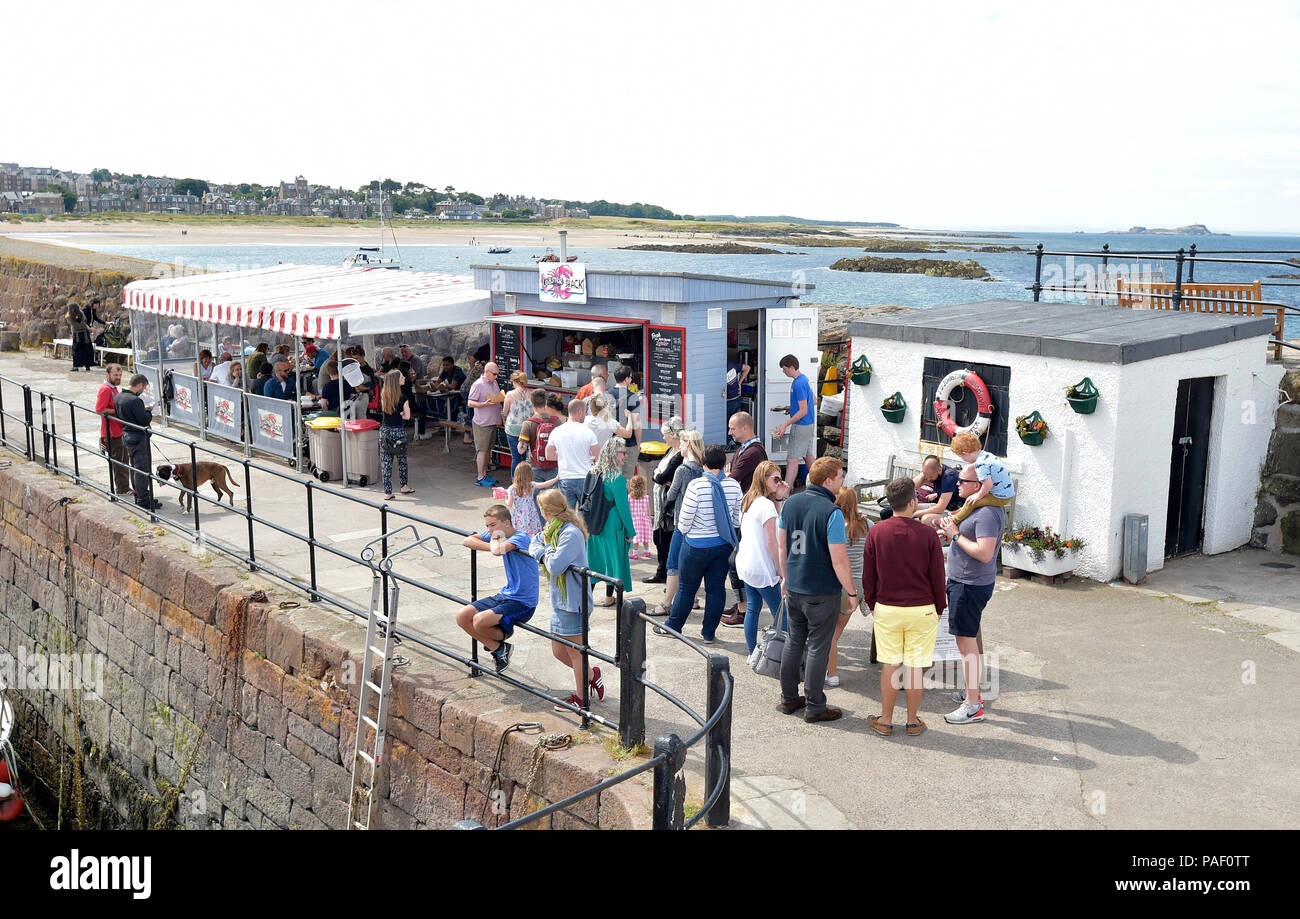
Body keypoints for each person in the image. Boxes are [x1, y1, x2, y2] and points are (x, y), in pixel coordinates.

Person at [861, 476, 947, 737]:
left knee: (890, 664)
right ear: (913, 502)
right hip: (922, 608)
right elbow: (937, 576)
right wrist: (939, 607)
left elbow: (869, 575)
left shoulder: (876, 531)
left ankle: (885, 720)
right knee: (915, 665)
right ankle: (912, 721)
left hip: (888, 606)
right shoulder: (928, 534)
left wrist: (874, 602)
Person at [776, 457, 859, 724]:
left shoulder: (790, 503)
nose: (842, 480)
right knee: (818, 647)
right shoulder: (831, 512)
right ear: (827, 481)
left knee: (794, 641)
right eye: (839, 476)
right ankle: (815, 705)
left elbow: (782, 547)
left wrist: (785, 577)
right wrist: (853, 592)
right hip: (821, 590)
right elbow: (839, 559)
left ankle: (788, 698)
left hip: (795, 585)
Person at [938, 464, 1005, 725]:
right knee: (968, 643)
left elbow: (985, 553)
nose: (956, 484)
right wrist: (950, 534)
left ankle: (973, 705)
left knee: (966, 646)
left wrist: (955, 536)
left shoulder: (987, 512)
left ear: (978, 486)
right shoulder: (979, 506)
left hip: (969, 585)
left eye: (962, 481)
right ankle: (972, 692)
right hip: (967, 582)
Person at [658, 444, 743, 642]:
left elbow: (684, 521)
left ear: (703, 463)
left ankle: (674, 627)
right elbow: (737, 519)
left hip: (695, 545)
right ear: (724, 463)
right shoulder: (734, 485)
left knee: (687, 588)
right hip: (723, 546)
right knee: (716, 589)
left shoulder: (696, 485)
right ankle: (708, 633)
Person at [529, 489, 604, 712]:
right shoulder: (553, 530)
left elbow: (554, 565)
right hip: (561, 599)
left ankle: (582, 699)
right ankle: (592, 675)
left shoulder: (569, 533)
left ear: (546, 511)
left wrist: (544, 552)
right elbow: (533, 542)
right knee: (558, 650)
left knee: (573, 651)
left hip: (573, 601)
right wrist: (544, 550)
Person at [457, 505, 539, 673]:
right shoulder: (498, 535)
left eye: (493, 525)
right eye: (487, 526)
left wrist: (494, 542)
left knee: (479, 621)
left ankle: (501, 639)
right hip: (506, 594)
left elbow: (499, 550)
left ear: (506, 522)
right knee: (462, 617)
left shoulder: (521, 537)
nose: (489, 529)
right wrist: (493, 541)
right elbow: (468, 540)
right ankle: (499, 649)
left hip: (523, 602)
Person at [720, 411, 779, 628]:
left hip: (747, 512)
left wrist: (728, 474)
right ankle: (742, 606)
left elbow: (732, 476)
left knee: (735, 561)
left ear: (745, 427)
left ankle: (743, 609)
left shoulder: (752, 453)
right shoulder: (744, 449)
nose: (729, 432)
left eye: (732, 428)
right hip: (745, 509)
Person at [651, 429, 704, 617]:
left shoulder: (683, 469)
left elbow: (672, 494)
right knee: (693, 565)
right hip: (699, 524)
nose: (679, 446)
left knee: (673, 564)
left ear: (688, 444)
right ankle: (695, 599)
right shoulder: (702, 468)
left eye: (682, 443)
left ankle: (666, 604)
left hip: (682, 521)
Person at [736, 460, 786, 655]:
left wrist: (779, 498)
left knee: (753, 608)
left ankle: (752, 652)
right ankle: (783, 657)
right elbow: (772, 542)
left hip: (747, 564)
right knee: (782, 616)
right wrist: (781, 570)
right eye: (775, 479)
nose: (779, 483)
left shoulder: (748, 499)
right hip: (762, 567)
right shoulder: (765, 505)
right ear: (763, 479)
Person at [584, 438, 636, 608]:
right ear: (614, 454)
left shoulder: (592, 471)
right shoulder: (617, 478)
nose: (626, 456)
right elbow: (624, 509)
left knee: (595, 560)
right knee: (613, 561)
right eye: (623, 452)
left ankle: (587, 598)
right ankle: (609, 597)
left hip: (593, 523)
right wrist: (630, 532)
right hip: (612, 524)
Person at [826, 486, 870, 688]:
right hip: (857, 585)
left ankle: (832, 674)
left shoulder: (834, 525)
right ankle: (830, 670)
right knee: (837, 631)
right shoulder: (868, 524)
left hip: (835, 582)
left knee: (829, 635)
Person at [643, 416, 685, 587]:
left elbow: (662, 477)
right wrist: (658, 476)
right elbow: (657, 475)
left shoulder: (679, 455)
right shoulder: (670, 451)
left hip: (669, 506)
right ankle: (663, 572)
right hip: (661, 504)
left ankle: (668, 574)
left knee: (665, 540)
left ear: (673, 435)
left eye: (665, 435)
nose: (663, 438)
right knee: (659, 539)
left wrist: (659, 477)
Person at [946, 431, 1016, 525]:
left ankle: (953, 521)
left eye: (962, 457)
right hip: (1006, 493)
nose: (963, 460)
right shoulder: (986, 455)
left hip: (1001, 497)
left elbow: (988, 484)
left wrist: (978, 495)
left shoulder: (980, 464)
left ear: (965, 453)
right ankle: (961, 511)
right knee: (971, 500)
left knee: (971, 501)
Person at [114, 374, 161, 510]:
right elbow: (144, 420)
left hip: (126, 435)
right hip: (138, 438)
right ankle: (143, 500)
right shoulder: (135, 401)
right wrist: (148, 410)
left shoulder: (118, 397)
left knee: (134, 467)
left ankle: (139, 496)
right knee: (142, 469)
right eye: (144, 388)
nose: (143, 391)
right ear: (139, 385)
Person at [772, 354, 817, 488]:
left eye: (784, 369)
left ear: (792, 367)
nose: (783, 371)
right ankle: (822, 483)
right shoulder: (804, 379)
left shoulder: (798, 383)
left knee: (792, 459)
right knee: (808, 456)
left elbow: (803, 411)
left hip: (801, 425)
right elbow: (813, 400)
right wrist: (791, 407)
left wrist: (785, 424)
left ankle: (785, 491)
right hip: (809, 424)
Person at [545, 398, 599, 508]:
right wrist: (589, 458)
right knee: (585, 516)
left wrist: (564, 455)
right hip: (585, 478)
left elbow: (549, 455)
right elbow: (598, 456)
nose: (585, 414)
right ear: (579, 411)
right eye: (585, 411)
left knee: (567, 515)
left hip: (565, 478)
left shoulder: (557, 431)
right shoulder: (588, 432)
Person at [378, 369, 415, 501]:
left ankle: (388, 492)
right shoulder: (403, 397)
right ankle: (404, 486)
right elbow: (408, 416)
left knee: (386, 462)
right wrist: (400, 414)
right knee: (402, 461)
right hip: (399, 431)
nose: (404, 377)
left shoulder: (383, 394)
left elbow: (386, 411)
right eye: (402, 376)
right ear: (396, 380)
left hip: (385, 431)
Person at [95, 363, 131, 496]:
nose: (118, 377)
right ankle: (122, 489)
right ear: (108, 374)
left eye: (120, 375)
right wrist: (117, 410)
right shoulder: (106, 389)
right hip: (112, 433)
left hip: (118, 431)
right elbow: (99, 409)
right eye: (115, 375)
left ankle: (125, 487)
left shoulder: (113, 388)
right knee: (119, 463)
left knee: (123, 461)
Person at [468, 361, 504, 488]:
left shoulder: (494, 382)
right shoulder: (478, 385)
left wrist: (500, 416)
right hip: (482, 423)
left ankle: (484, 473)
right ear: (487, 372)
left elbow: (498, 400)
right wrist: (483, 404)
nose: (496, 377)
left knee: (488, 449)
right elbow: (470, 403)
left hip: (493, 421)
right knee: (482, 450)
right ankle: (480, 476)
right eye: (494, 374)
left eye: (497, 374)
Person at [518, 389, 559, 482]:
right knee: (552, 495)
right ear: (546, 402)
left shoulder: (528, 424)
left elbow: (521, 450)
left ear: (532, 404)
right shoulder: (556, 421)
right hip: (554, 466)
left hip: (535, 466)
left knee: (536, 495)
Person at [610, 366, 642, 481]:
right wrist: (638, 444)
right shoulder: (632, 397)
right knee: (627, 479)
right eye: (631, 377)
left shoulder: (606, 395)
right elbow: (637, 424)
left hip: (610, 444)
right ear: (627, 379)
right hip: (628, 444)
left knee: (611, 478)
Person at [916, 454, 961, 525]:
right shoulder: (934, 469)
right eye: (926, 476)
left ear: (939, 470)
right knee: (912, 507)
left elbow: (940, 509)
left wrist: (915, 514)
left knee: (926, 519)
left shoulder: (949, 476)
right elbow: (912, 486)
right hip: (943, 507)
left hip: (953, 511)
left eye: (930, 477)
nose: (928, 479)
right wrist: (923, 474)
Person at [501, 371, 533, 468]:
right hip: (528, 429)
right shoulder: (532, 393)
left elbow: (505, 412)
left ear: (514, 381)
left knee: (516, 458)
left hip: (513, 429)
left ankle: (515, 481)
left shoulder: (510, 394)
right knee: (526, 458)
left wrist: (503, 420)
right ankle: (524, 479)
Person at [506, 461, 543, 536]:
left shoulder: (512, 488)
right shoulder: (531, 485)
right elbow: (545, 484)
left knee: (520, 533)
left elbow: (509, 504)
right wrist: (556, 478)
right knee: (533, 532)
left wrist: (505, 498)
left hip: (519, 514)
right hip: (531, 512)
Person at [628, 474, 652, 560]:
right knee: (645, 537)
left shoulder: (629, 497)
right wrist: (649, 519)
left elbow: (629, 510)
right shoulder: (645, 497)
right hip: (644, 520)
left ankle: (635, 553)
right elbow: (648, 510)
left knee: (636, 539)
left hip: (634, 521)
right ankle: (647, 551)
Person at [725, 358, 751, 435]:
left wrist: (740, 383)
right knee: (735, 424)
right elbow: (747, 367)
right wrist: (739, 383)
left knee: (728, 425)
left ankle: (731, 443)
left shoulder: (719, 368)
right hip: (736, 399)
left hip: (729, 401)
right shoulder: (732, 364)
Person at [68, 304, 95, 372]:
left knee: (85, 350)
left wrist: (79, 320)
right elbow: (74, 324)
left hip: (83, 333)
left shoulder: (80, 313)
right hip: (79, 333)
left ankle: (86, 365)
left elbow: (83, 323)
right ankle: (78, 366)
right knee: (78, 350)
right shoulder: (70, 315)